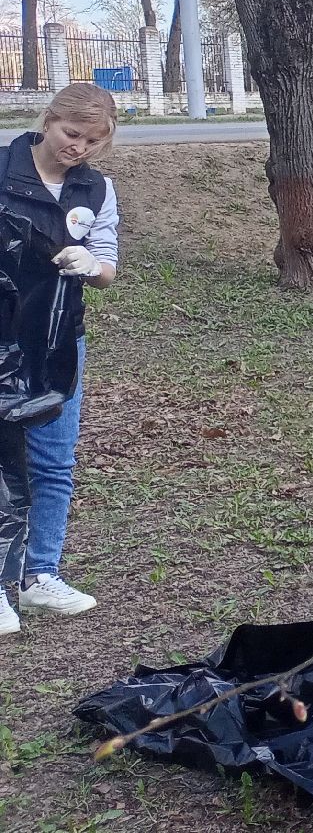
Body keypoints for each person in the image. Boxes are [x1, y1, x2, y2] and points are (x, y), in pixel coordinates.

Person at [0, 83, 122, 636]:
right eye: (72, 134)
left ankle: (38, 573)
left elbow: (109, 271)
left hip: (57, 342)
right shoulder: (3, 171)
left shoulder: (95, 189)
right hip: (3, 338)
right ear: (47, 122)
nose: (80, 148)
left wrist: (90, 262)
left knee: (53, 461)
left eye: (93, 140)